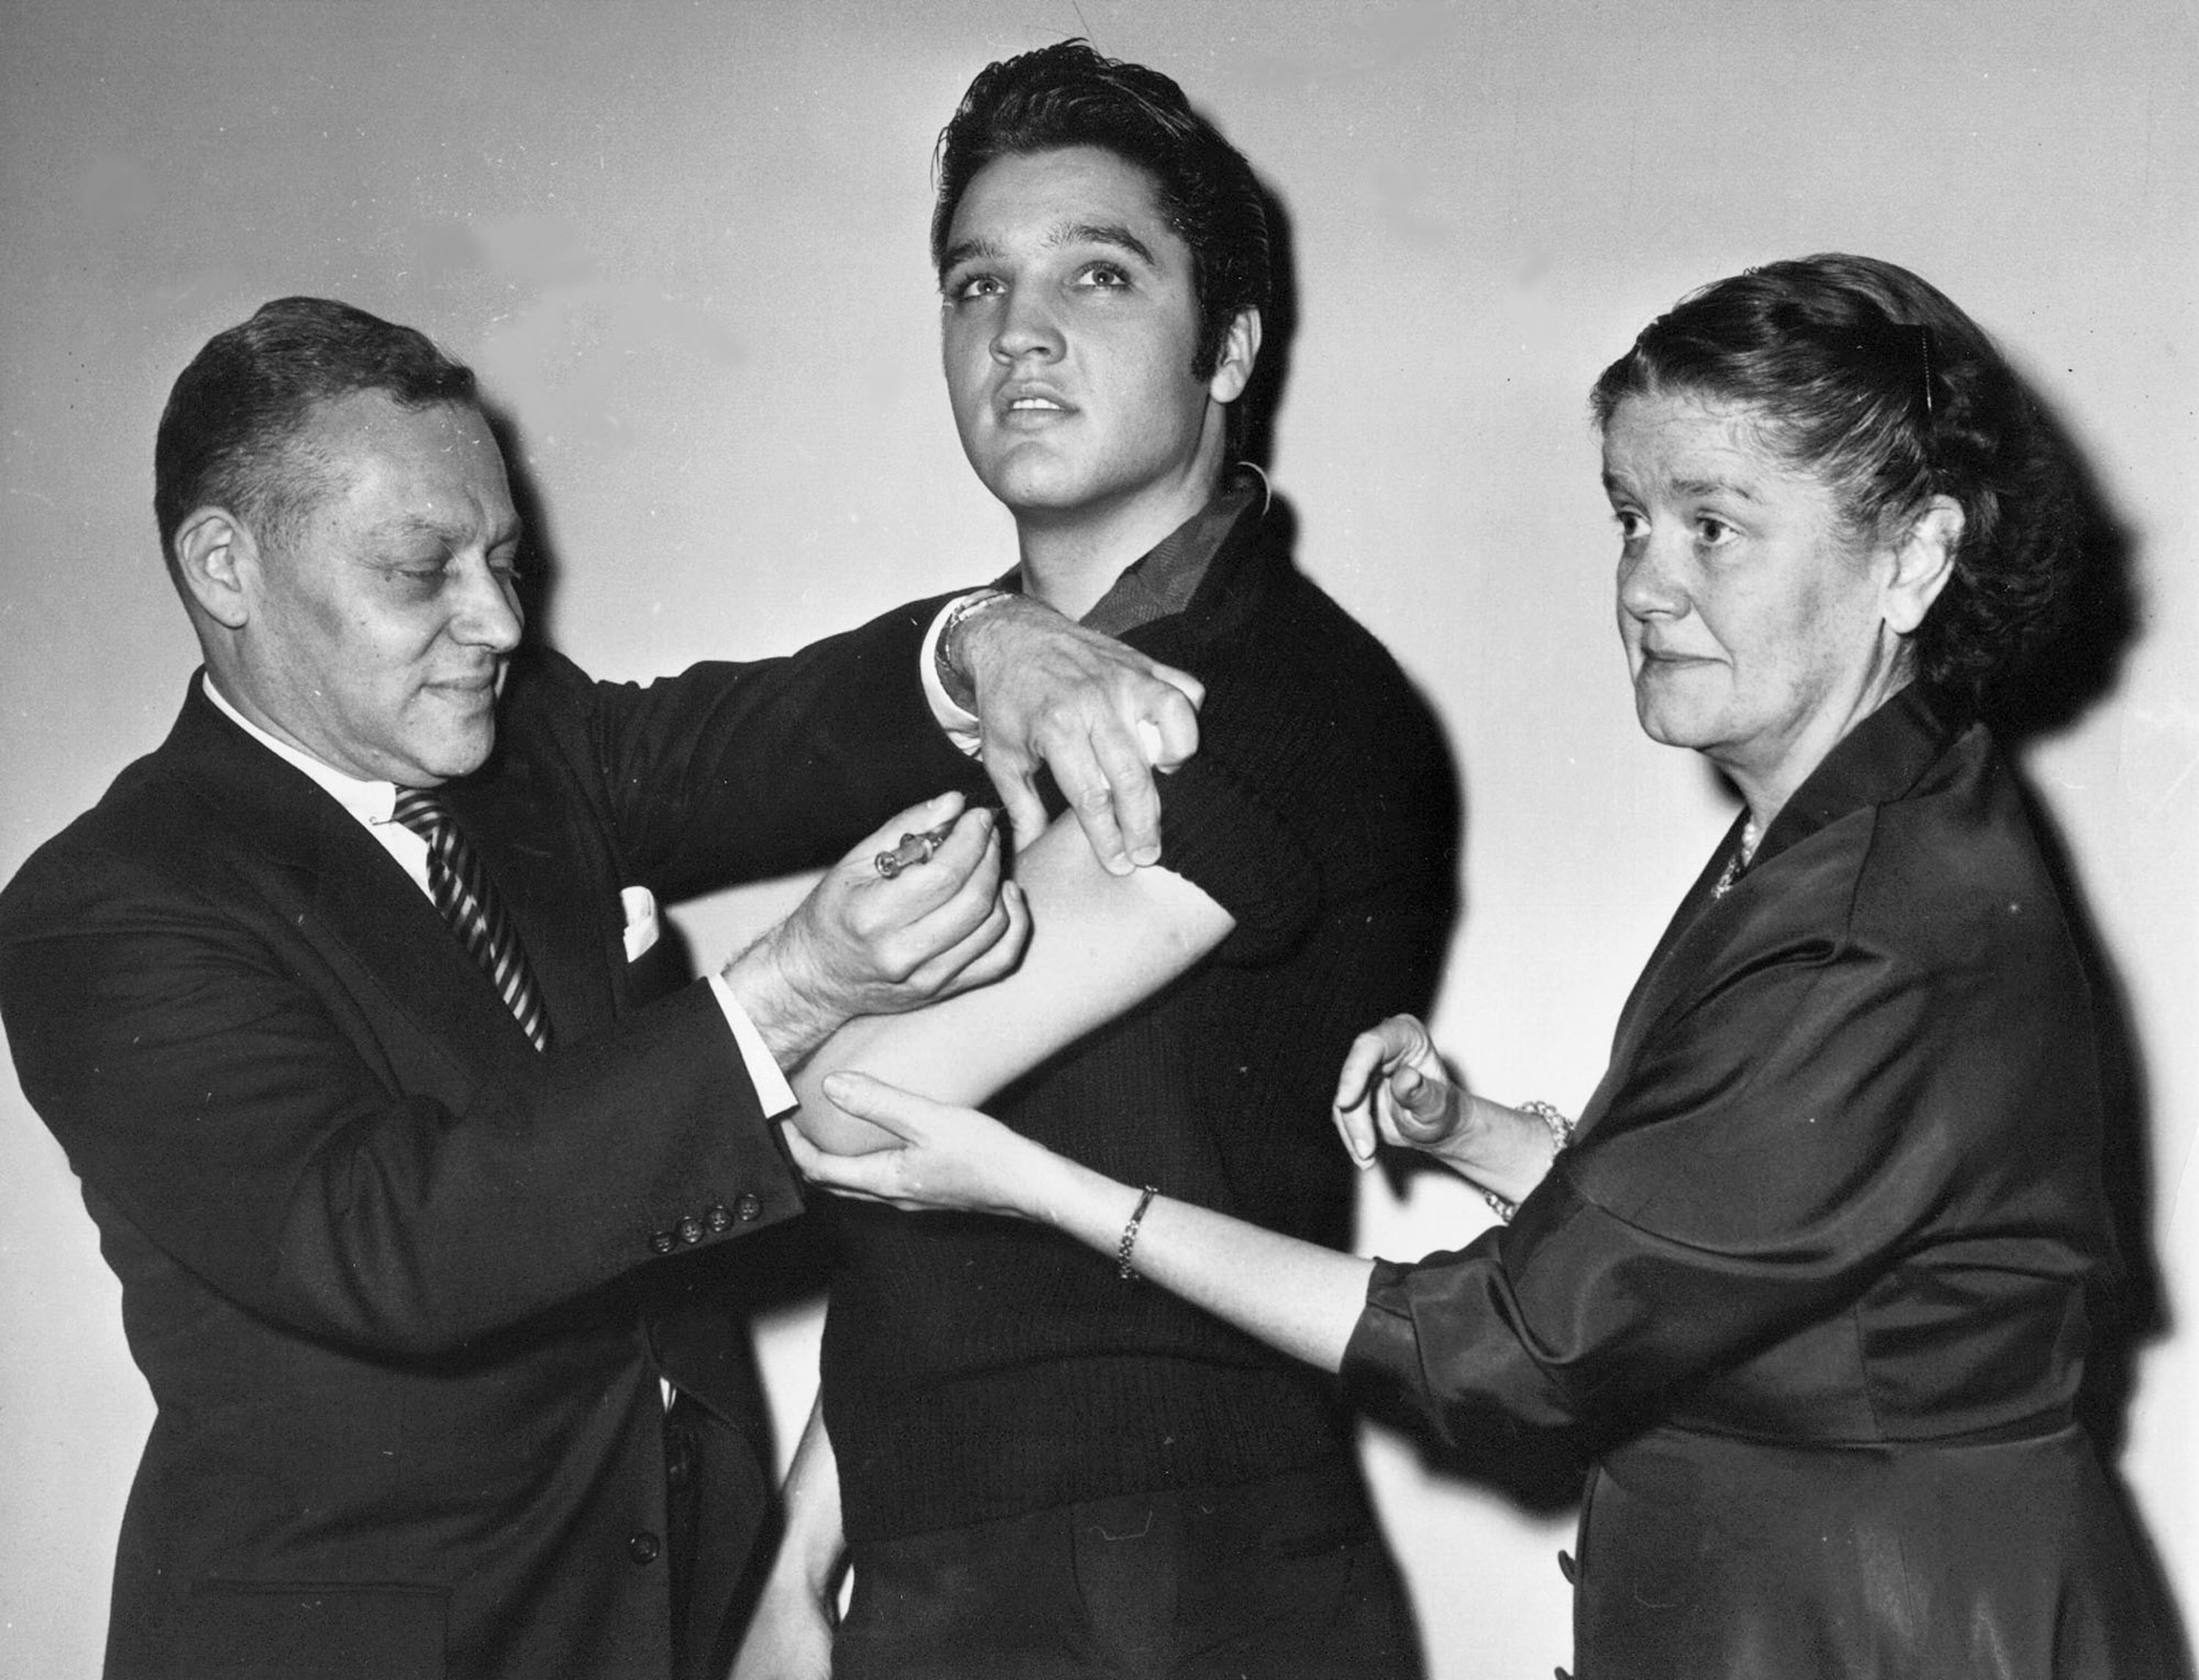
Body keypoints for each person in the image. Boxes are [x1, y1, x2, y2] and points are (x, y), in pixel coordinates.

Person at [791, 254, 2185, 1678]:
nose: (1647, 586)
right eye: (1631, 518)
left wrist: (1041, 1188)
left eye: (1714, 528)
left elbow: (1512, 1351)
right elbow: (1735, 1232)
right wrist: (1473, 1133)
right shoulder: (1846, 825)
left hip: (1901, 1629)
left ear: (1915, 558)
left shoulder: (1873, 914)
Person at [0, 295, 1207, 1680]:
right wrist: (789, 992)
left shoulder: (532, 745)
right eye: (423, 569)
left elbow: (762, 737)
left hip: (659, 1609)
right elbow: (391, 1240)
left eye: (503, 560)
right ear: (226, 566)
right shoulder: (108, 907)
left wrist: (984, 643)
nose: (499, 619)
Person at [733, 41, 1455, 1680]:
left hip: (1173, 1584)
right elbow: (925, 1211)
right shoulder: (982, 689)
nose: (1019, 331)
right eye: (976, 282)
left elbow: (855, 1106)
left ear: (1231, 346)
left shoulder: (1280, 696)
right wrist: (799, 1565)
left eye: (1099, 274)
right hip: (956, 1559)